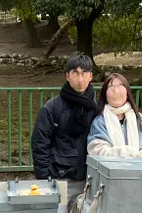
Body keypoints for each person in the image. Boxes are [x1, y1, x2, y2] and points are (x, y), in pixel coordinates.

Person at [31, 53, 98, 201]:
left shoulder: (98, 108)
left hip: (89, 179)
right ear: (67, 76)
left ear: (91, 76)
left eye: (84, 73)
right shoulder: (52, 108)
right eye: (75, 73)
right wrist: (46, 178)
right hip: (59, 178)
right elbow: (40, 143)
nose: (80, 79)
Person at [87, 72, 142, 158]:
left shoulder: (139, 119)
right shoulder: (100, 122)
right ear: (105, 94)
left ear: (127, 93)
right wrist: (125, 153)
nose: (116, 91)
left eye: (120, 86)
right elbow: (97, 150)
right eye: (111, 87)